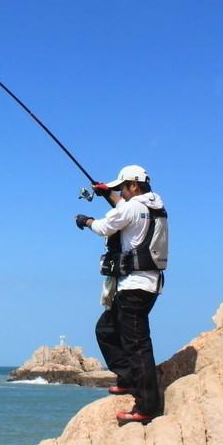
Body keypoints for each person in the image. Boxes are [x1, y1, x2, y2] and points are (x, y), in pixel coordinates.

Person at [74, 165, 168, 425]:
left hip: (135, 286)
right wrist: (108, 193)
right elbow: (126, 210)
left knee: (137, 345)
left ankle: (147, 405)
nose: (120, 192)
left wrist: (85, 221)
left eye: (122, 187)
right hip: (144, 285)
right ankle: (127, 378)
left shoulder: (133, 207)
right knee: (106, 329)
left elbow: (106, 226)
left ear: (134, 186)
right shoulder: (154, 205)